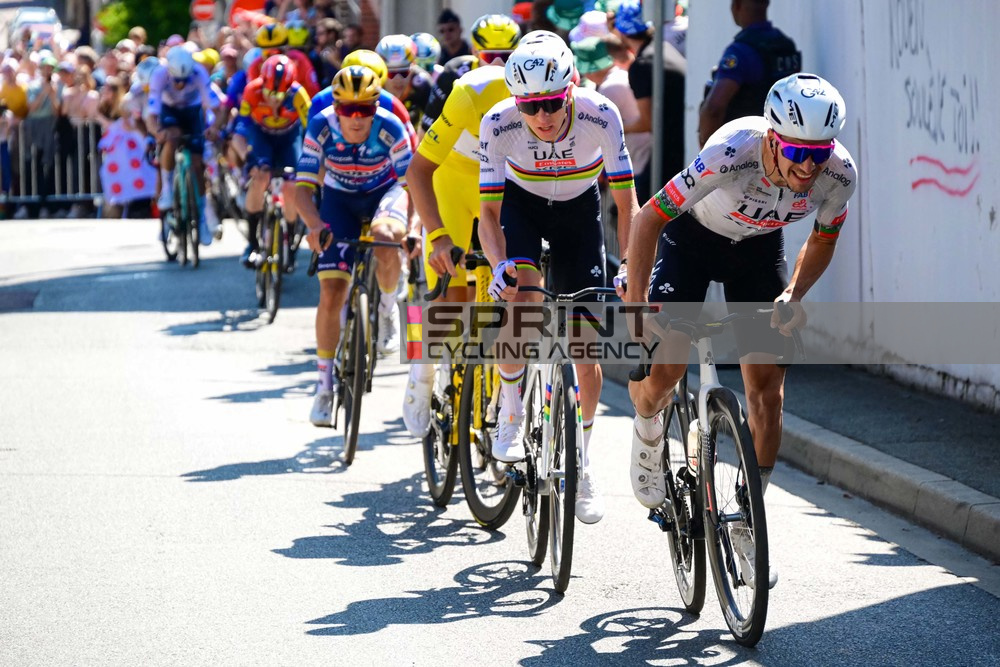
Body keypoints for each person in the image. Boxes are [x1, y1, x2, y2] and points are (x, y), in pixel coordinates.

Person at [626, 73, 857, 589]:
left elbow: (821, 240)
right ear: (772, 137)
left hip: (758, 251)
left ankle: (747, 519)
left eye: (818, 153)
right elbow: (647, 220)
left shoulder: (838, 175)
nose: (806, 166)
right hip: (693, 240)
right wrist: (638, 306)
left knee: (768, 396)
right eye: (796, 150)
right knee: (665, 367)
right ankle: (646, 430)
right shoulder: (732, 152)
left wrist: (792, 294)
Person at [477, 31, 639, 525]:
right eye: (531, 106)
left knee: (583, 344)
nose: (542, 116)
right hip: (522, 208)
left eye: (551, 102)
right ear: (516, 102)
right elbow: (488, 210)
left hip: (578, 212)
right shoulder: (498, 123)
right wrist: (500, 263)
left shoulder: (600, 115)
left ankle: (583, 463)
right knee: (522, 303)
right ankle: (509, 411)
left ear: (570, 88)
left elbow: (624, 200)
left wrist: (629, 262)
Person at [401, 13, 521, 437]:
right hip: (453, 179)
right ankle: (423, 369)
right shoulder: (465, 88)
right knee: (449, 292)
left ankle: (502, 398)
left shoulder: (542, 92)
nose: (501, 63)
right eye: (493, 56)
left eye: (508, 55)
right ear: (476, 53)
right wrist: (433, 235)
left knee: (510, 290)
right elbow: (419, 167)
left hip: (501, 188)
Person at [295, 66, 413, 427]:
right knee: (331, 292)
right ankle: (324, 386)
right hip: (339, 197)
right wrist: (314, 225)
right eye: (349, 109)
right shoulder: (321, 125)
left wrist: (417, 229)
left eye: (365, 109)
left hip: (385, 192)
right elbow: (302, 187)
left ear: (377, 107)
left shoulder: (391, 126)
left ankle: (388, 307)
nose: (357, 118)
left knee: (386, 236)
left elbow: (412, 186)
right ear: (337, 107)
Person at [231, 55, 311, 268]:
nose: (274, 99)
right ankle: (253, 243)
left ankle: (290, 238)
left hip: (289, 136)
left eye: (279, 94)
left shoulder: (298, 95)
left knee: (292, 184)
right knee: (260, 176)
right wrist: (248, 158)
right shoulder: (252, 91)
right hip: (262, 135)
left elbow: (313, 130)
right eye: (269, 92)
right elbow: (239, 132)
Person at [698, 0, 800, 147]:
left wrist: (706, 153)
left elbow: (714, 108)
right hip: (784, 149)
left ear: (737, 5)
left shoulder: (741, 52)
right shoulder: (785, 46)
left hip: (745, 151)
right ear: (766, 4)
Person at [146, 46, 220, 243]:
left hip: (192, 111)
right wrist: (157, 132)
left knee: (197, 164)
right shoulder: (159, 75)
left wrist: (214, 128)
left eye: (184, 80)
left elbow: (215, 107)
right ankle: (168, 191)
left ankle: (202, 219)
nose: (180, 84)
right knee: (171, 138)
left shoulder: (198, 73)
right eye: (176, 80)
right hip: (169, 110)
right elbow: (151, 115)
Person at [615, 0, 686, 201]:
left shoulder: (643, 65)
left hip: (670, 152)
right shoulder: (664, 48)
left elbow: (647, 122)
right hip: (683, 144)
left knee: (639, 206)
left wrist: (617, 127)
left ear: (622, 32)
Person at [572, 35, 650, 203]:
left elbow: (597, 133)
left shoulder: (610, 87)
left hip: (634, 162)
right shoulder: (619, 77)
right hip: (638, 158)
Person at [375, 35, 432, 128]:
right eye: (391, 73)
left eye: (404, 72)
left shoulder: (423, 84)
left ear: (413, 67)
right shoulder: (373, 84)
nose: (398, 79)